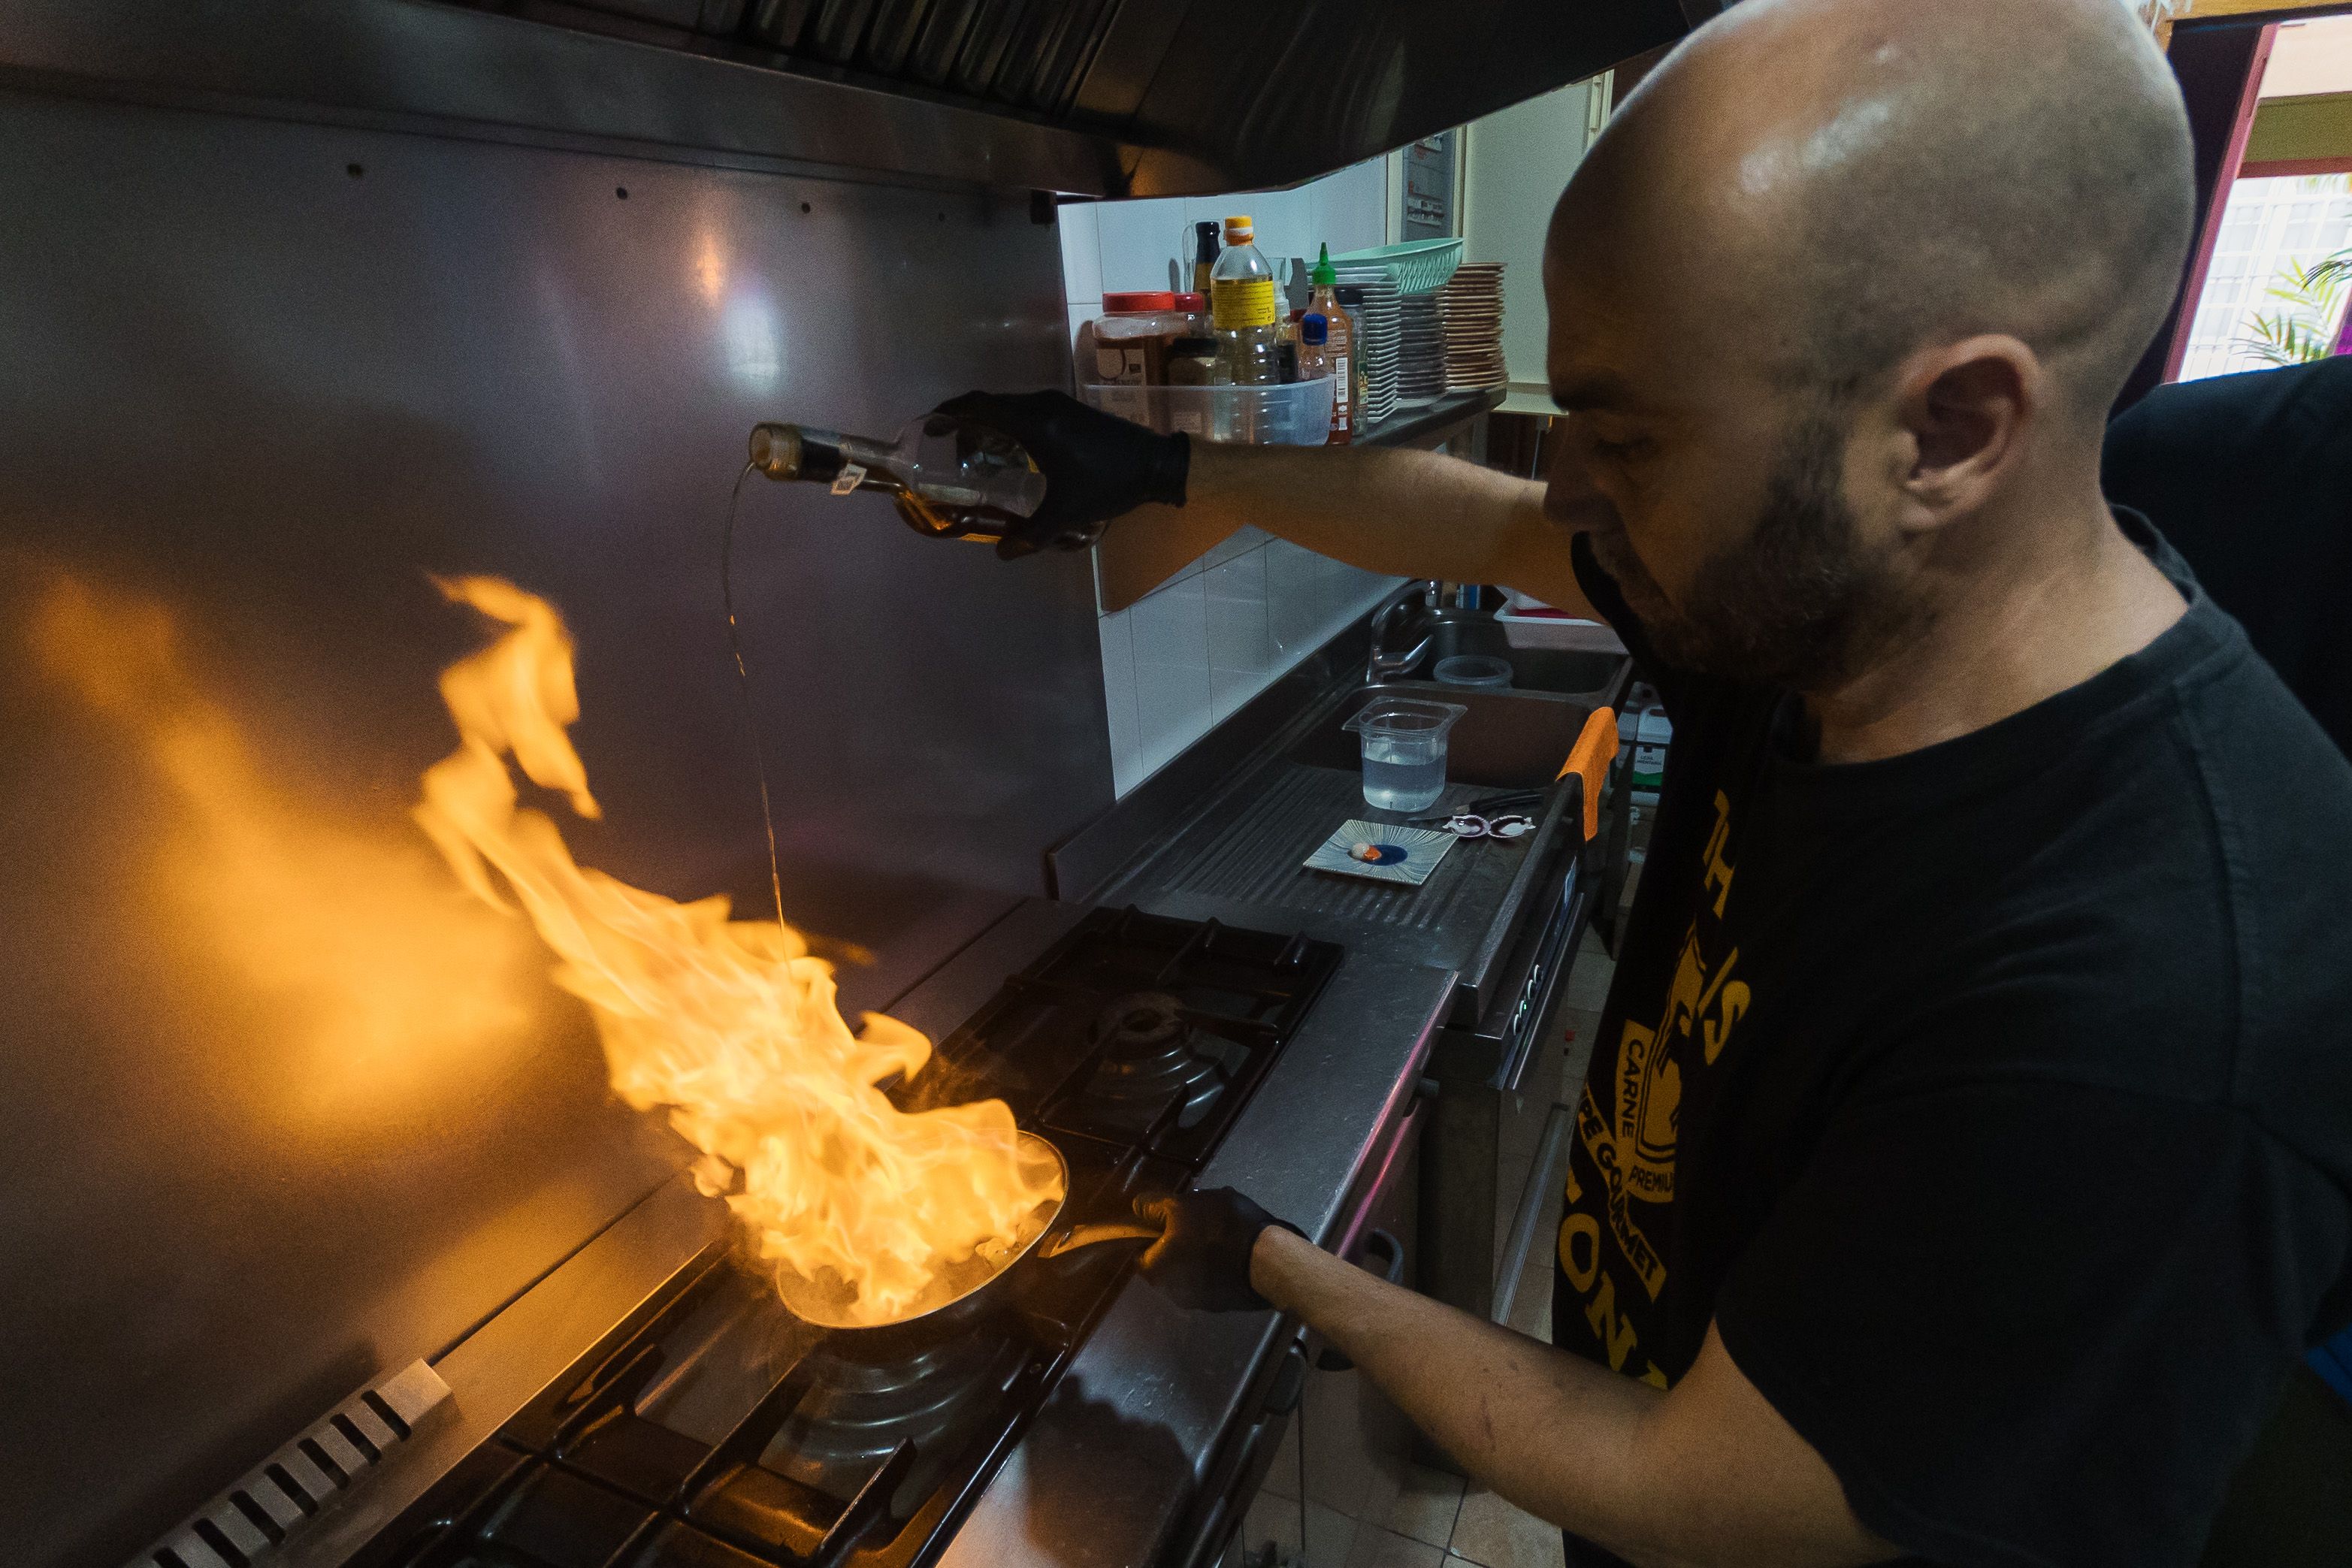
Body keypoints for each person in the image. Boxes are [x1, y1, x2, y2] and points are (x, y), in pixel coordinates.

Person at [944, 0, 2352, 1562]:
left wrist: (1285, 1268)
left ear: (1950, 431)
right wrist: (1150, 470)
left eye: (1626, 434)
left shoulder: (2151, 1002)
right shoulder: (1831, 606)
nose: (1568, 487)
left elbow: (1711, 1494)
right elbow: (1486, 527)